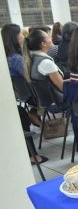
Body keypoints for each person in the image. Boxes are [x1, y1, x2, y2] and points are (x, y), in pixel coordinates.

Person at [2, 24, 47, 164]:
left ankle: (34, 113)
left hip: (25, 94)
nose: (23, 36)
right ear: (14, 37)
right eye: (21, 34)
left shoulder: (11, 55)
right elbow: (29, 76)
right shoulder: (15, 57)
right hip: (30, 95)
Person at [22, 29, 65, 97]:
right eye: (48, 37)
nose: (51, 38)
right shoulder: (46, 63)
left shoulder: (32, 59)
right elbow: (63, 88)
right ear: (43, 44)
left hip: (48, 101)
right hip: (59, 101)